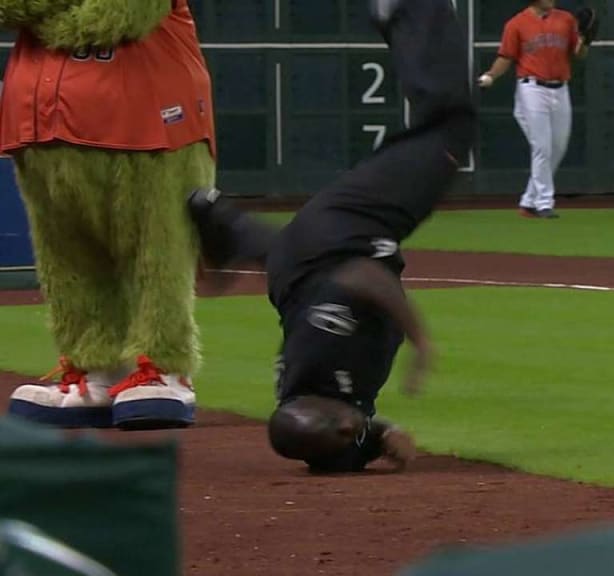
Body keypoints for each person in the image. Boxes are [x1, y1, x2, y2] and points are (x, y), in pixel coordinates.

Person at [186, 0, 476, 473]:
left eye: (353, 432)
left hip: (340, 235)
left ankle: (402, 10)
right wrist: (382, 439)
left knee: (449, 126)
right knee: (281, 253)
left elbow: (362, 276)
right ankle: (214, 214)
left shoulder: (324, 348)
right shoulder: (317, 428)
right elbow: (334, 445)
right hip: (293, 270)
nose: (356, 431)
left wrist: (421, 338)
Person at [477, 0, 589, 219]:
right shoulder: (516, 23)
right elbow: (506, 56)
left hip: (560, 88)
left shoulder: (565, 19)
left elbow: (578, 54)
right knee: (542, 147)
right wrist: (491, 75)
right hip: (532, 88)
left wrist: (586, 40)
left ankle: (528, 201)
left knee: (557, 148)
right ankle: (544, 202)